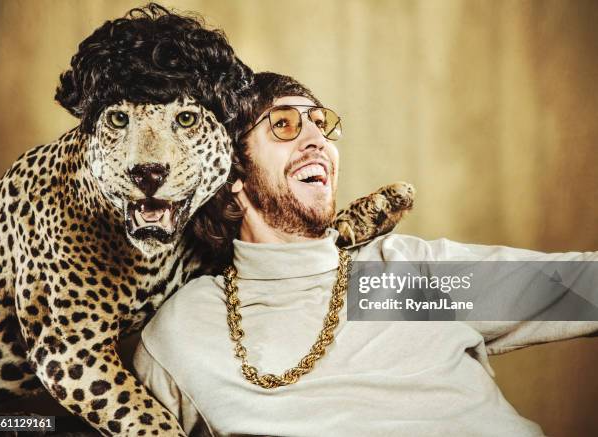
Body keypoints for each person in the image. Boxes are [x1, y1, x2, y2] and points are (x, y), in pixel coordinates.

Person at [133, 72, 598, 436]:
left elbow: (585, 288)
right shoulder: (185, 332)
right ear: (231, 171)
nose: (317, 139)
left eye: (321, 123)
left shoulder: (397, 277)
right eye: (285, 125)